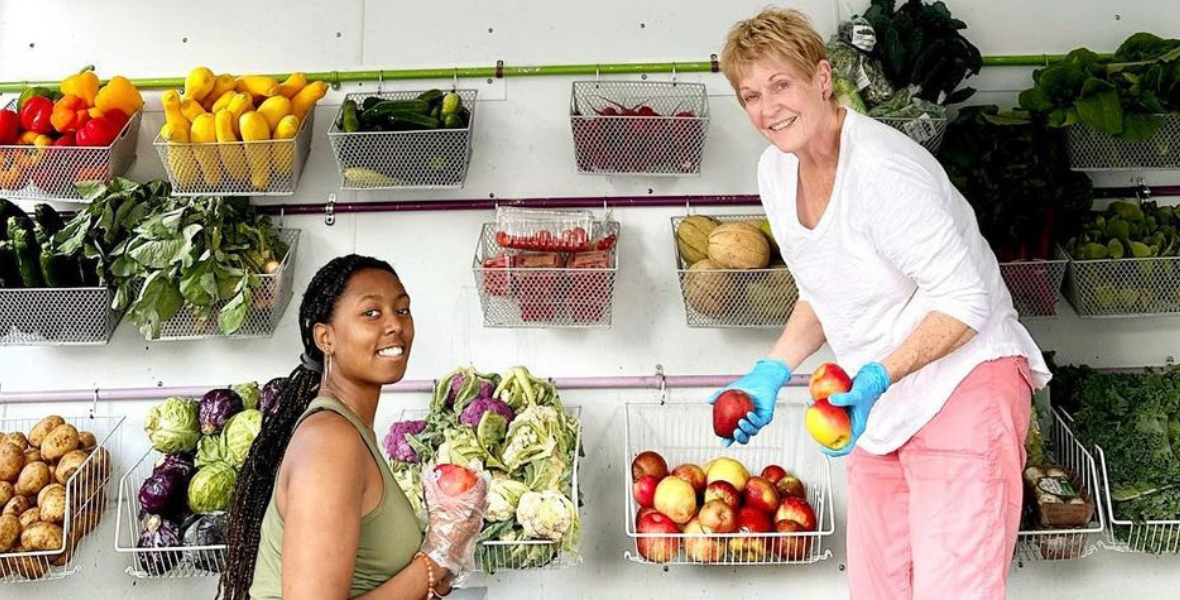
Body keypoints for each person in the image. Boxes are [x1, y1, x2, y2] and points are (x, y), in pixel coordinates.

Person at [712, 8, 1049, 600]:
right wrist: (770, 371)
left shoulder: (885, 170)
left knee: (955, 591)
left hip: (962, 382)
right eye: (750, 96)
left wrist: (876, 376)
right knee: (878, 589)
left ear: (821, 79)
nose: (768, 109)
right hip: (881, 406)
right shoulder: (775, 170)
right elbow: (824, 285)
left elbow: (966, 299)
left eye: (781, 85)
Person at [219, 254, 487, 600]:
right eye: (371, 313)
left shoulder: (351, 433)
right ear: (325, 338)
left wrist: (445, 552)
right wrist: (437, 559)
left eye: (402, 309)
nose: (395, 325)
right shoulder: (331, 442)